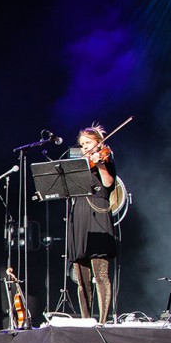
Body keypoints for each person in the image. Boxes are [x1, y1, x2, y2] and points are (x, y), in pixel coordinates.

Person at [67, 123, 117, 325]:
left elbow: (108, 184)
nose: (85, 147)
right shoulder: (80, 164)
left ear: (98, 142)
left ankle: (103, 322)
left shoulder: (106, 159)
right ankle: (86, 321)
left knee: (101, 274)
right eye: (82, 144)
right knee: (82, 278)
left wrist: (102, 164)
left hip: (98, 213)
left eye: (88, 143)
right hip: (79, 213)